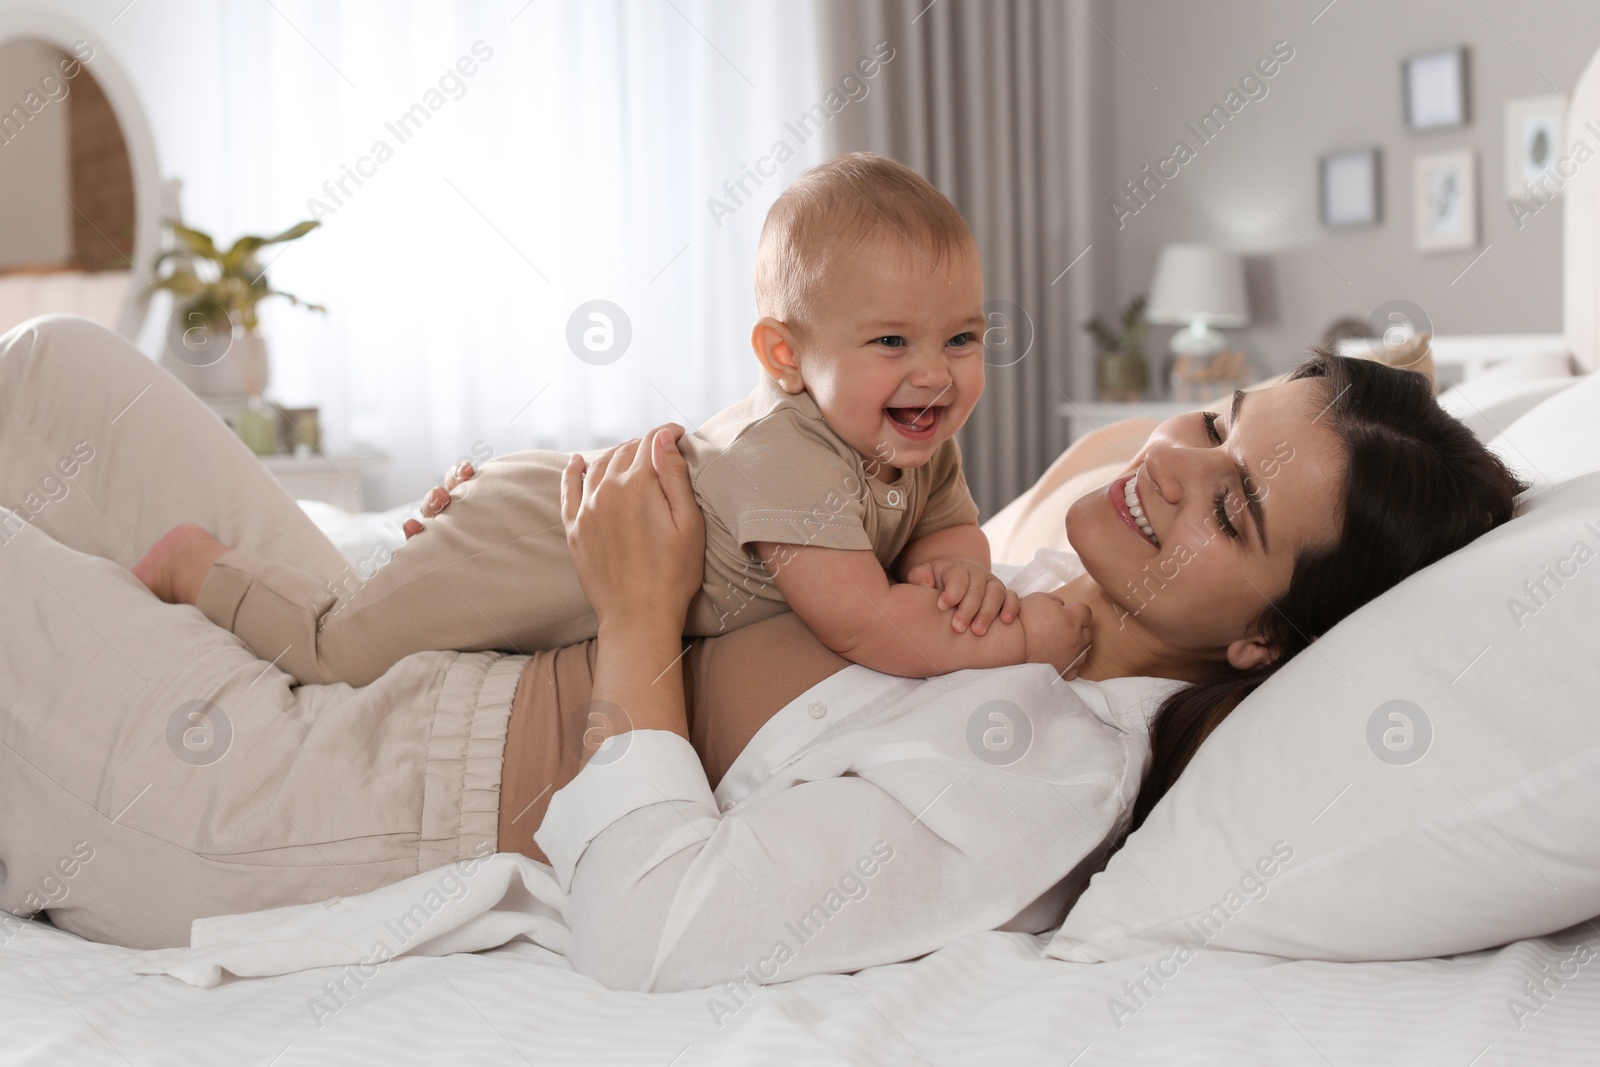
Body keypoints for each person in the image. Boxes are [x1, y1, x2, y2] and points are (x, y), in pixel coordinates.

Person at [0, 314, 1525, 992]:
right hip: (423, 657)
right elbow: (1091, 449)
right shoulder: (1033, 560)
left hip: (339, 799)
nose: (1174, 472)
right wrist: (539, 525)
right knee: (58, 372)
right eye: (1215, 425)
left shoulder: (1039, 762)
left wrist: (631, 613)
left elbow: (665, 931)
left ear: (1264, 636)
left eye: (1236, 503)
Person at [132, 153, 1091, 688]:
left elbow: (942, 528)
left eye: (963, 337)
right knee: (339, 653)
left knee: (417, 624)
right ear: (785, 358)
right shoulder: (788, 458)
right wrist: (1037, 629)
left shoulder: (916, 436)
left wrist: (959, 571)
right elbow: (870, 628)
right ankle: (191, 562)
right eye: (892, 342)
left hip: (598, 525)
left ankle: (351, 574)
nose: (937, 374)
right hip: (542, 533)